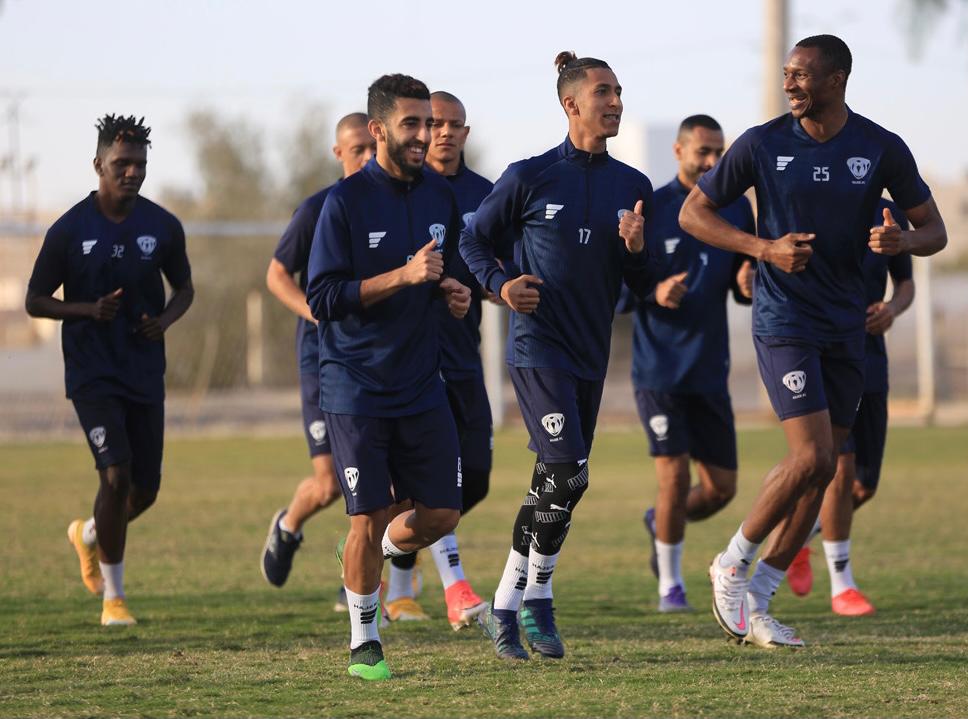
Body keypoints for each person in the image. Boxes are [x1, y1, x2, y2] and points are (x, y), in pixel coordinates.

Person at [679, 34, 947, 648]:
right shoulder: (762, 142)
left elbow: (936, 231)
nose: (789, 84)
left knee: (827, 467)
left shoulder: (880, 147)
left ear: (838, 79)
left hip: (846, 326)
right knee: (810, 457)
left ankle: (763, 598)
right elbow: (693, 214)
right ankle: (731, 563)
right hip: (784, 320)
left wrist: (901, 243)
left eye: (801, 75)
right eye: (786, 74)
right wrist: (762, 248)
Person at [461, 51, 657, 660]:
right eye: (604, 92)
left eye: (620, 91)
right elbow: (472, 237)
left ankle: (508, 606)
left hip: (589, 353)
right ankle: (537, 599)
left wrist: (637, 248)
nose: (617, 101)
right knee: (570, 472)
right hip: (536, 346)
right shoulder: (529, 176)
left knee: (554, 484)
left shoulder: (634, 187)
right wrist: (499, 286)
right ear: (571, 103)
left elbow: (644, 282)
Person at [306, 73, 472, 680]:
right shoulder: (344, 203)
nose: (425, 135)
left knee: (442, 515)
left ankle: (374, 556)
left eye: (429, 123)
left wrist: (451, 290)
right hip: (355, 385)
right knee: (366, 516)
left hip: (421, 382)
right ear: (377, 130)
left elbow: (442, 270)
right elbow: (323, 297)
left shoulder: (439, 196)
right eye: (412, 124)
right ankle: (364, 638)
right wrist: (401, 277)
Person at [26, 114, 194, 626]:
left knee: (145, 490)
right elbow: (35, 300)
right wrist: (86, 310)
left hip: (144, 370)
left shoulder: (162, 226)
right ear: (99, 164)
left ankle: (90, 535)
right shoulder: (69, 229)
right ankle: (114, 600)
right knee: (116, 476)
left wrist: (163, 321)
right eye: (121, 164)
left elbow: (184, 289)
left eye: (140, 164)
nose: (132, 173)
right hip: (92, 373)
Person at [617, 115, 755, 613]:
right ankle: (670, 586)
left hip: (709, 369)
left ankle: (661, 522)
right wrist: (654, 291)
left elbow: (745, 277)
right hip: (658, 371)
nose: (713, 162)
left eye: (719, 152)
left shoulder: (737, 209)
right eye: (703, 152)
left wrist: (746, 282)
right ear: (678, 151)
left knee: (721, 490)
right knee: (673, 476)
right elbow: (620, 288)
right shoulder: (652, 208)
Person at [381, 91, 492, 630]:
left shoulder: (483, 195)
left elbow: (494, 265)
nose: (442, 133)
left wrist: (492, 290)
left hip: (465, 356)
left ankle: (384, 544)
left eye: (453, 125)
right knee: (434, 481)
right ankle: (448, 588)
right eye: (434, 123)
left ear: (465, 133)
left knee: (477, 478)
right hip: (415, 361)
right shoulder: (403, 193)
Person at [260, 113, 376, 611]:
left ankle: (355, 579)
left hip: (374, 361)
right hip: (322, 359)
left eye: (373, 149)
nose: (368, 160)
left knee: (382, 485)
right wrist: (316, 312)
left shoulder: (393, 206)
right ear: (339, 154)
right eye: (358, 152)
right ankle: (287, 527)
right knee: (330, 483)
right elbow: (277, 275)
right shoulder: (319, 208)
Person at [785, 198, 914, 617]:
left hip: (871, 355)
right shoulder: (811, 204)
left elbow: (905, 284)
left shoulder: (888, 215)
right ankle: (843, 587)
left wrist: (891, 309)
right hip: (824, 352)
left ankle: (800, 537)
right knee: (838, 469)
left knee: (863, 485)